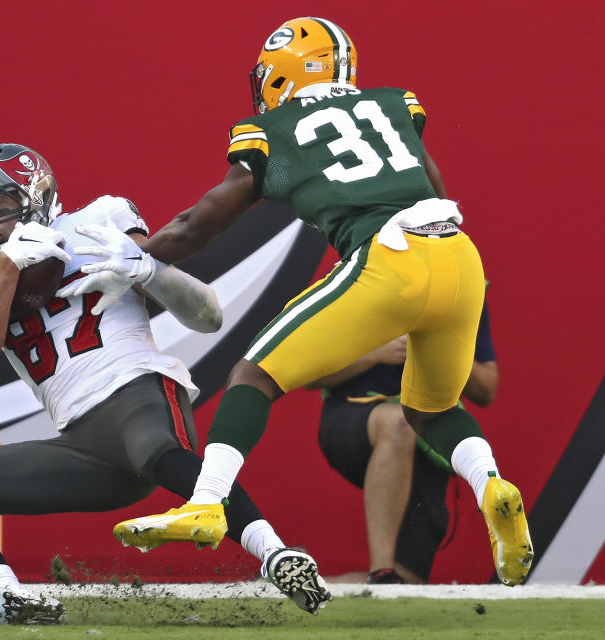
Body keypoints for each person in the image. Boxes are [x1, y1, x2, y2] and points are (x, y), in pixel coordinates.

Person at [79, 17, 532, 588]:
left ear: (282, 74)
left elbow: (202, 221)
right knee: (431, 408)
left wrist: (139, 256)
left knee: (253, 374)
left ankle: (207, 503)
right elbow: (435, 191)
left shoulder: (273, 128)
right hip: (460, 255)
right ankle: (493, 483)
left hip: (388, 255)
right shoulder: (393, 105)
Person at [0, 143, 331, 626]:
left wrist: (150, 269)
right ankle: (2, 592)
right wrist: (7, 265)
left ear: (36, 194)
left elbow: (207, 316)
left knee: (153, 448)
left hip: (133, 390)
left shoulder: (100, 219)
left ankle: (277, 555)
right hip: (81, 444)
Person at [307, 299, 498, 584]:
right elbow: (307, 372)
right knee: (399, 424)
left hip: (427, 437)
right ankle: (381, 570)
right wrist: (373, 354)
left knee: (407, 584)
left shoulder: (464, 290)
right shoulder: (353, 277)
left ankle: (297, 582)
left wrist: (444, 348)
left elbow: (486, 389)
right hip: (352, 418)